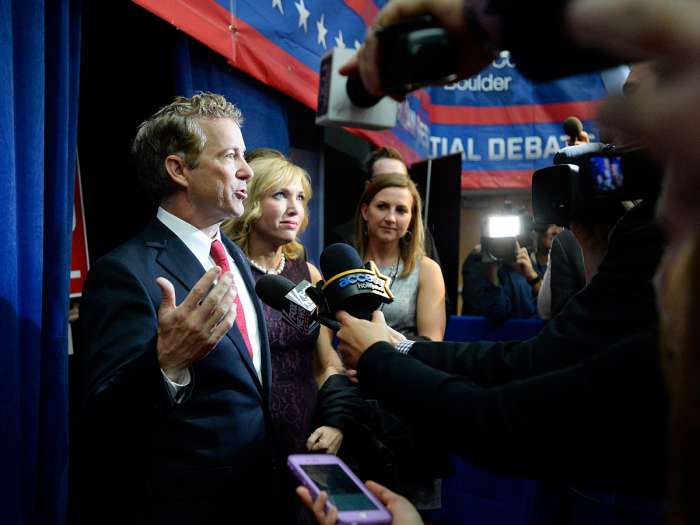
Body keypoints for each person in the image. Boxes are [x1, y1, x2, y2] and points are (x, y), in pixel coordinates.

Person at [334, 198, 667, 495]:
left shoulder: (655, 357)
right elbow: (518, 360)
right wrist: (399, 346)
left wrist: (378, 358)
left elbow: (501, 418)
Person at [77, 93, 282, 524]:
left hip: (258, 495)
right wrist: (166, 364)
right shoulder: (125, 274)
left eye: (244, 155)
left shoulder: (232, 255)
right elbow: (104, 418)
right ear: (178, 169)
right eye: (230, 156)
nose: (247, 171)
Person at [221, 151, 346, 524]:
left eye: (300, 198)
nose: (294, 208)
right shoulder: (224, 270)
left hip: (306, 434)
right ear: (251, 200)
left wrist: (337, 421)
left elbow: (326, 364)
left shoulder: (307, 272)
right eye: (279, 195)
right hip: (244, 443)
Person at [354, 173, 446, 341]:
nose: (390, 218)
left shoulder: (427, 270)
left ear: (411, 220)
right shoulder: (345, 264)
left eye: (401, 210)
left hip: (402, 364)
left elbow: (432, 342)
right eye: (382, 206)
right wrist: (331, 362)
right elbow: (322, 330)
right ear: (365, 211)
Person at [329, 146, 441, 266]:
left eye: (399, 179)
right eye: (384, 180)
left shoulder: (422, 236)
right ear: (368, 186)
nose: (392, 185)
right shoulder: (344, 238)